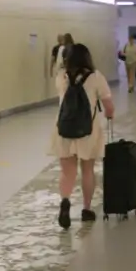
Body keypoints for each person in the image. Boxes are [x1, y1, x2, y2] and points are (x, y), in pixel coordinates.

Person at [51, 42, 115, 229]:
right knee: (87, 170)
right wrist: (110, 114)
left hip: (64, 129)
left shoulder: (61, 77)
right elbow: (108, 106)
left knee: (67, 171)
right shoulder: (96, 77)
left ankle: (65, 202)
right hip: (88, 130)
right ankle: (86, 209)